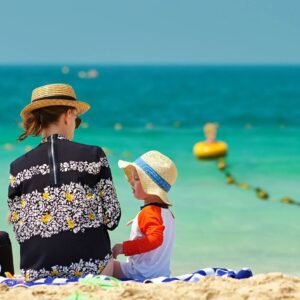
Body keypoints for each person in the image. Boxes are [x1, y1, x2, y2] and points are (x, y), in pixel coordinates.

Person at [7, 83, 121, 281]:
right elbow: (112, 219)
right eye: (76, 119)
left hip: (36, 272)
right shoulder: (94, 155)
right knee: (117, 265)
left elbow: (20, 229)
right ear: (68, 114)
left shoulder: (17, 168)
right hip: (92, 269)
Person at [112, 150, 178, 281]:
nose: (131, 182)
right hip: (161, 273)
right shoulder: (167, 214)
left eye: (137, 179)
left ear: (151, 187)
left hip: (139, 273)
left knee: (104, 263)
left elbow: (155, 240)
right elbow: (156, 225)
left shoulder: (150, 213)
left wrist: (123, 248)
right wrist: (138, 220)